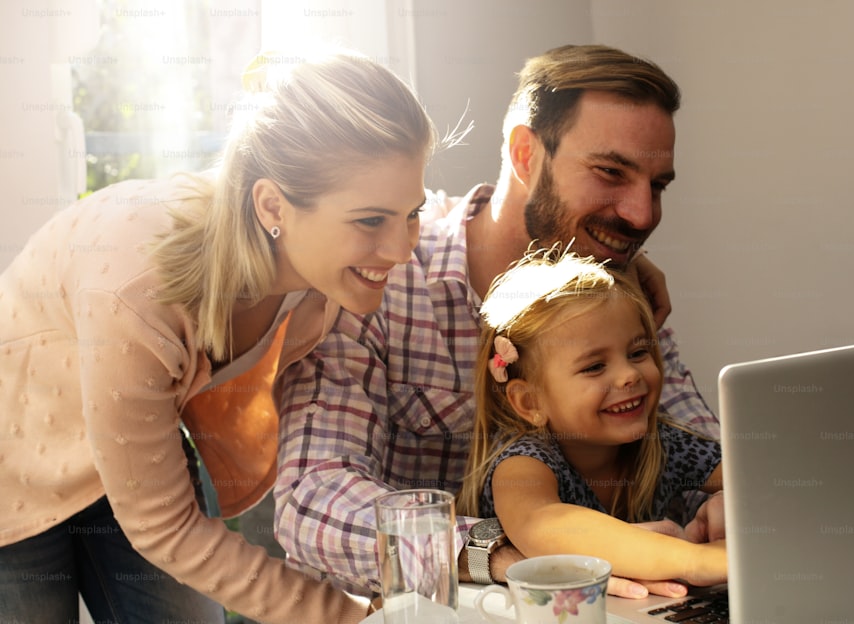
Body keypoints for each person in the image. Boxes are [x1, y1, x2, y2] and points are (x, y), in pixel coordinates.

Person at [0, 48, 435, 624]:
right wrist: (351, 617)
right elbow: (166, 529)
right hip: (12, 461)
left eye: (413, 213)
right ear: (273, 205)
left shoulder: (328, 284)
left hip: (129, 445)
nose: (404, 250)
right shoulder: (136, 291)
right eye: (371, 220)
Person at [275, 43, 720, 600]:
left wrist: (732, 502)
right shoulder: (379, 281)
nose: (642, 214)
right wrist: (503, 553)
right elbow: (313, 500)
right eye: (610, 172)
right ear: (525, 154)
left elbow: (701, 442)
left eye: (657, 186)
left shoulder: (619, 292)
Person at [456, 248, 726, 589]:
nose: (629, 375)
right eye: (595, 366)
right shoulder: (524, 461)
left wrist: (731, 501)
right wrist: (698, 561)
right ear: (529, 402)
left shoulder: (664, 443)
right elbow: (543, 525)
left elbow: (755, 480)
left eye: (638, 352)